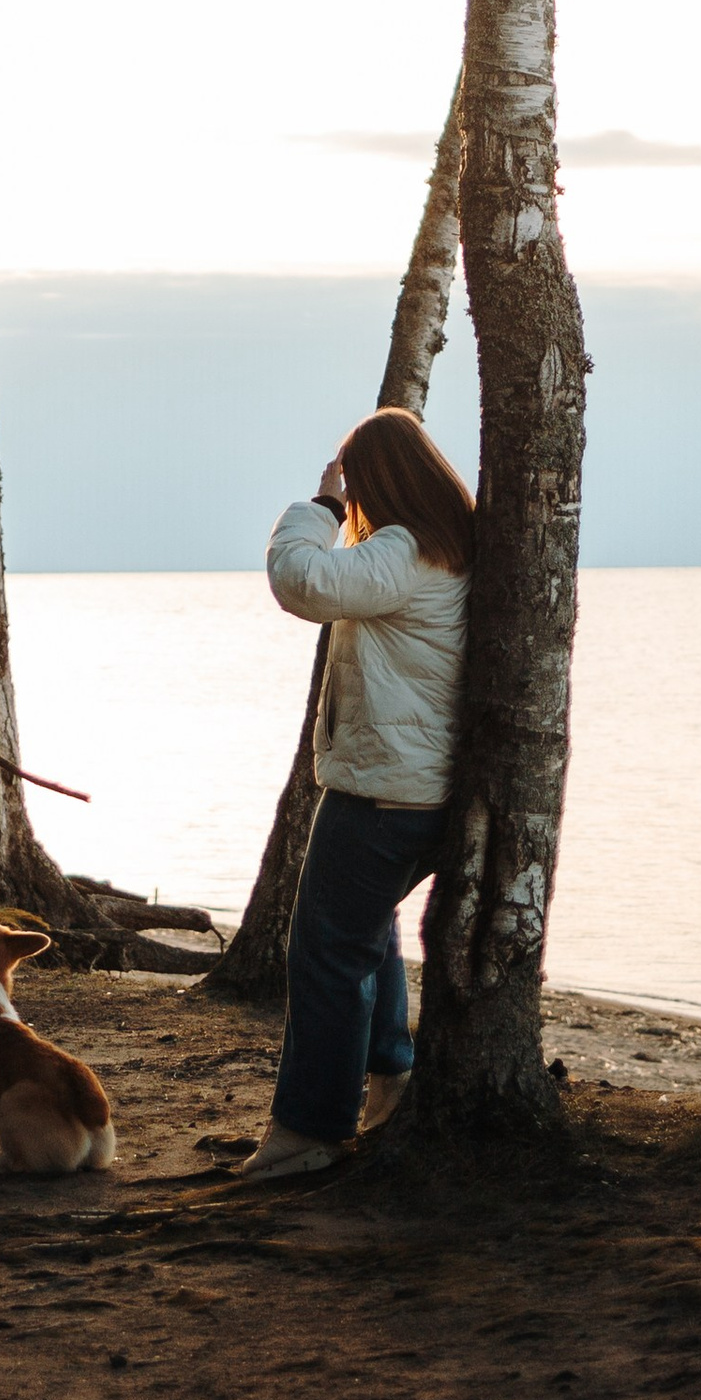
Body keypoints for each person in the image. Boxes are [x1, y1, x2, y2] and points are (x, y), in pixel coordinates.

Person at [238, 404, 476, 1182]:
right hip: (423, 788)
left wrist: (323, 506)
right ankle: (392, 1075)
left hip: (383, 795)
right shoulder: (449, 547)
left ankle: (309, 1129)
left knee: (327, 952)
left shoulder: (401, 551)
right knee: (368, 934)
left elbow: (301, 580)